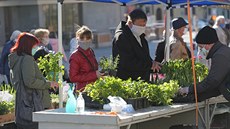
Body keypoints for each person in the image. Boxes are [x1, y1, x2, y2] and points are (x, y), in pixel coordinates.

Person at [8, 32, 59, 129]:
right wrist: (48, 84)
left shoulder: (16, 58)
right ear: (28, 45)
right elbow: (30, 81)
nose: (36, 48)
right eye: (34, 45)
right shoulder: (27, 59)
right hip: (33, 102)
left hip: (23, 101)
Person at [179, 26, 230, 102]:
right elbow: (218, 85)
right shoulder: (222, 51)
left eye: (200, 47)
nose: (200, 50)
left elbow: (212, 82)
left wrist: (189, 89)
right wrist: (197, 96)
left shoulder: (220, 56)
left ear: (207, 44)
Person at [112, 9, 154, 82]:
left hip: (142, 80)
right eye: (140, 25)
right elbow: (127, 63)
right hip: (129, 82)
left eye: (144, 25)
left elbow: (145, 57)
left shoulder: (141, 36)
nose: (142, 28)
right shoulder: (121, 37)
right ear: (130, 23)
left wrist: (153, 63)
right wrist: (150, 65)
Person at [69, 26, 103, 91]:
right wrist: (94, 75)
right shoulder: (75, 55)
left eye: (88, 38)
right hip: (83, 91)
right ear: (77, 39)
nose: (85, 40)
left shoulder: (91, 51)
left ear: (91, 39)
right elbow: (73, 78)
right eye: (82, 38)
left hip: (94, 88)